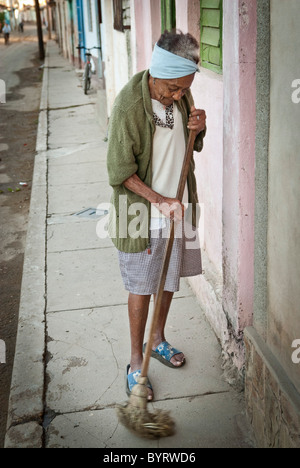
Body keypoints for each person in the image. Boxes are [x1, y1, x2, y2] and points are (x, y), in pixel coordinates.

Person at [107, 31, 206, 401]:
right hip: (142, 215)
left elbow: (191, 143)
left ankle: (158, 339)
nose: (180, 96)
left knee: (167, 279)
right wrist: (159, 199)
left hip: (178, 207)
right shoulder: (129, 107)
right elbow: (119, 171)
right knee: (141, 286)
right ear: (157, 75)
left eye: (185, 90)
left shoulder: (179, 91)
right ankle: (136, 362)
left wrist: (199, 124)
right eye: (175, 89)